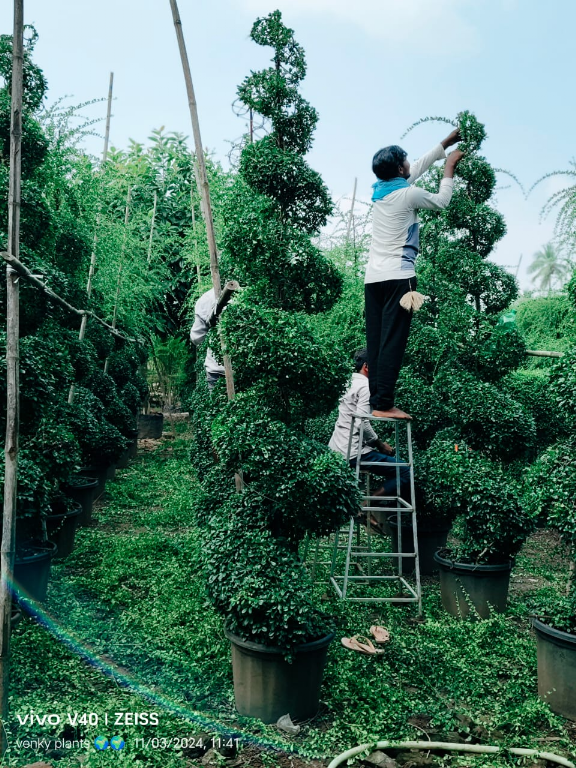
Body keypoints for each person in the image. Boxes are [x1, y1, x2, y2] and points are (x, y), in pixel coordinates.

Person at [365, 129, 464, 420]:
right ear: (399, 169)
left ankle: (378, 401)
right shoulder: (409, 194)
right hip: (400, 279)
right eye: (405, 161)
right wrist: (449, 166)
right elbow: (442, 201)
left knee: (377, 341)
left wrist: (444, 144)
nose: (410, 163)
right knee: (393, 340)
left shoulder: (381, 192)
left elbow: (417, 166)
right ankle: (384, 404)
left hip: (373, 279)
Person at [329, 348, 410, 503]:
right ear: (366, 366)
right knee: (404, 470)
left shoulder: (348, 382)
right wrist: (380, 445)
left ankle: (365, 507)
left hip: (336, 447)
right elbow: (361, 423)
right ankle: (366, 504)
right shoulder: (365, 386)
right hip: (353, 452)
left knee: (390, 465)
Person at [190, 288, 225, 390]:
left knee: (218, 399)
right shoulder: (255, 290)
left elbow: (197, 338)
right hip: (252, 369)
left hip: (217, 370)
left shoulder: (208, 298)